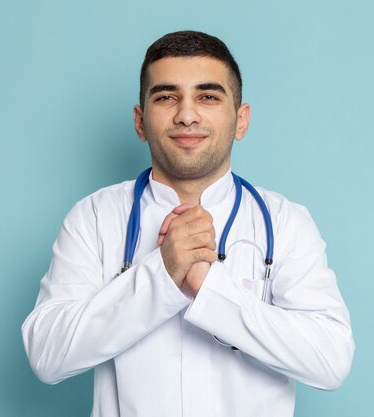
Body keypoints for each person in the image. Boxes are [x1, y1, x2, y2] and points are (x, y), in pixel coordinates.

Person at [22, 30, 354, 417]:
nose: (187, 114)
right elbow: (46, 355)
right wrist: (160, 274)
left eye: (208, 96)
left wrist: (211, 290)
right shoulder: (94, 217)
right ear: (140, 120)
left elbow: (330, 361)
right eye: (166, 97)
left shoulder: (284, 222)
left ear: (241, 120)